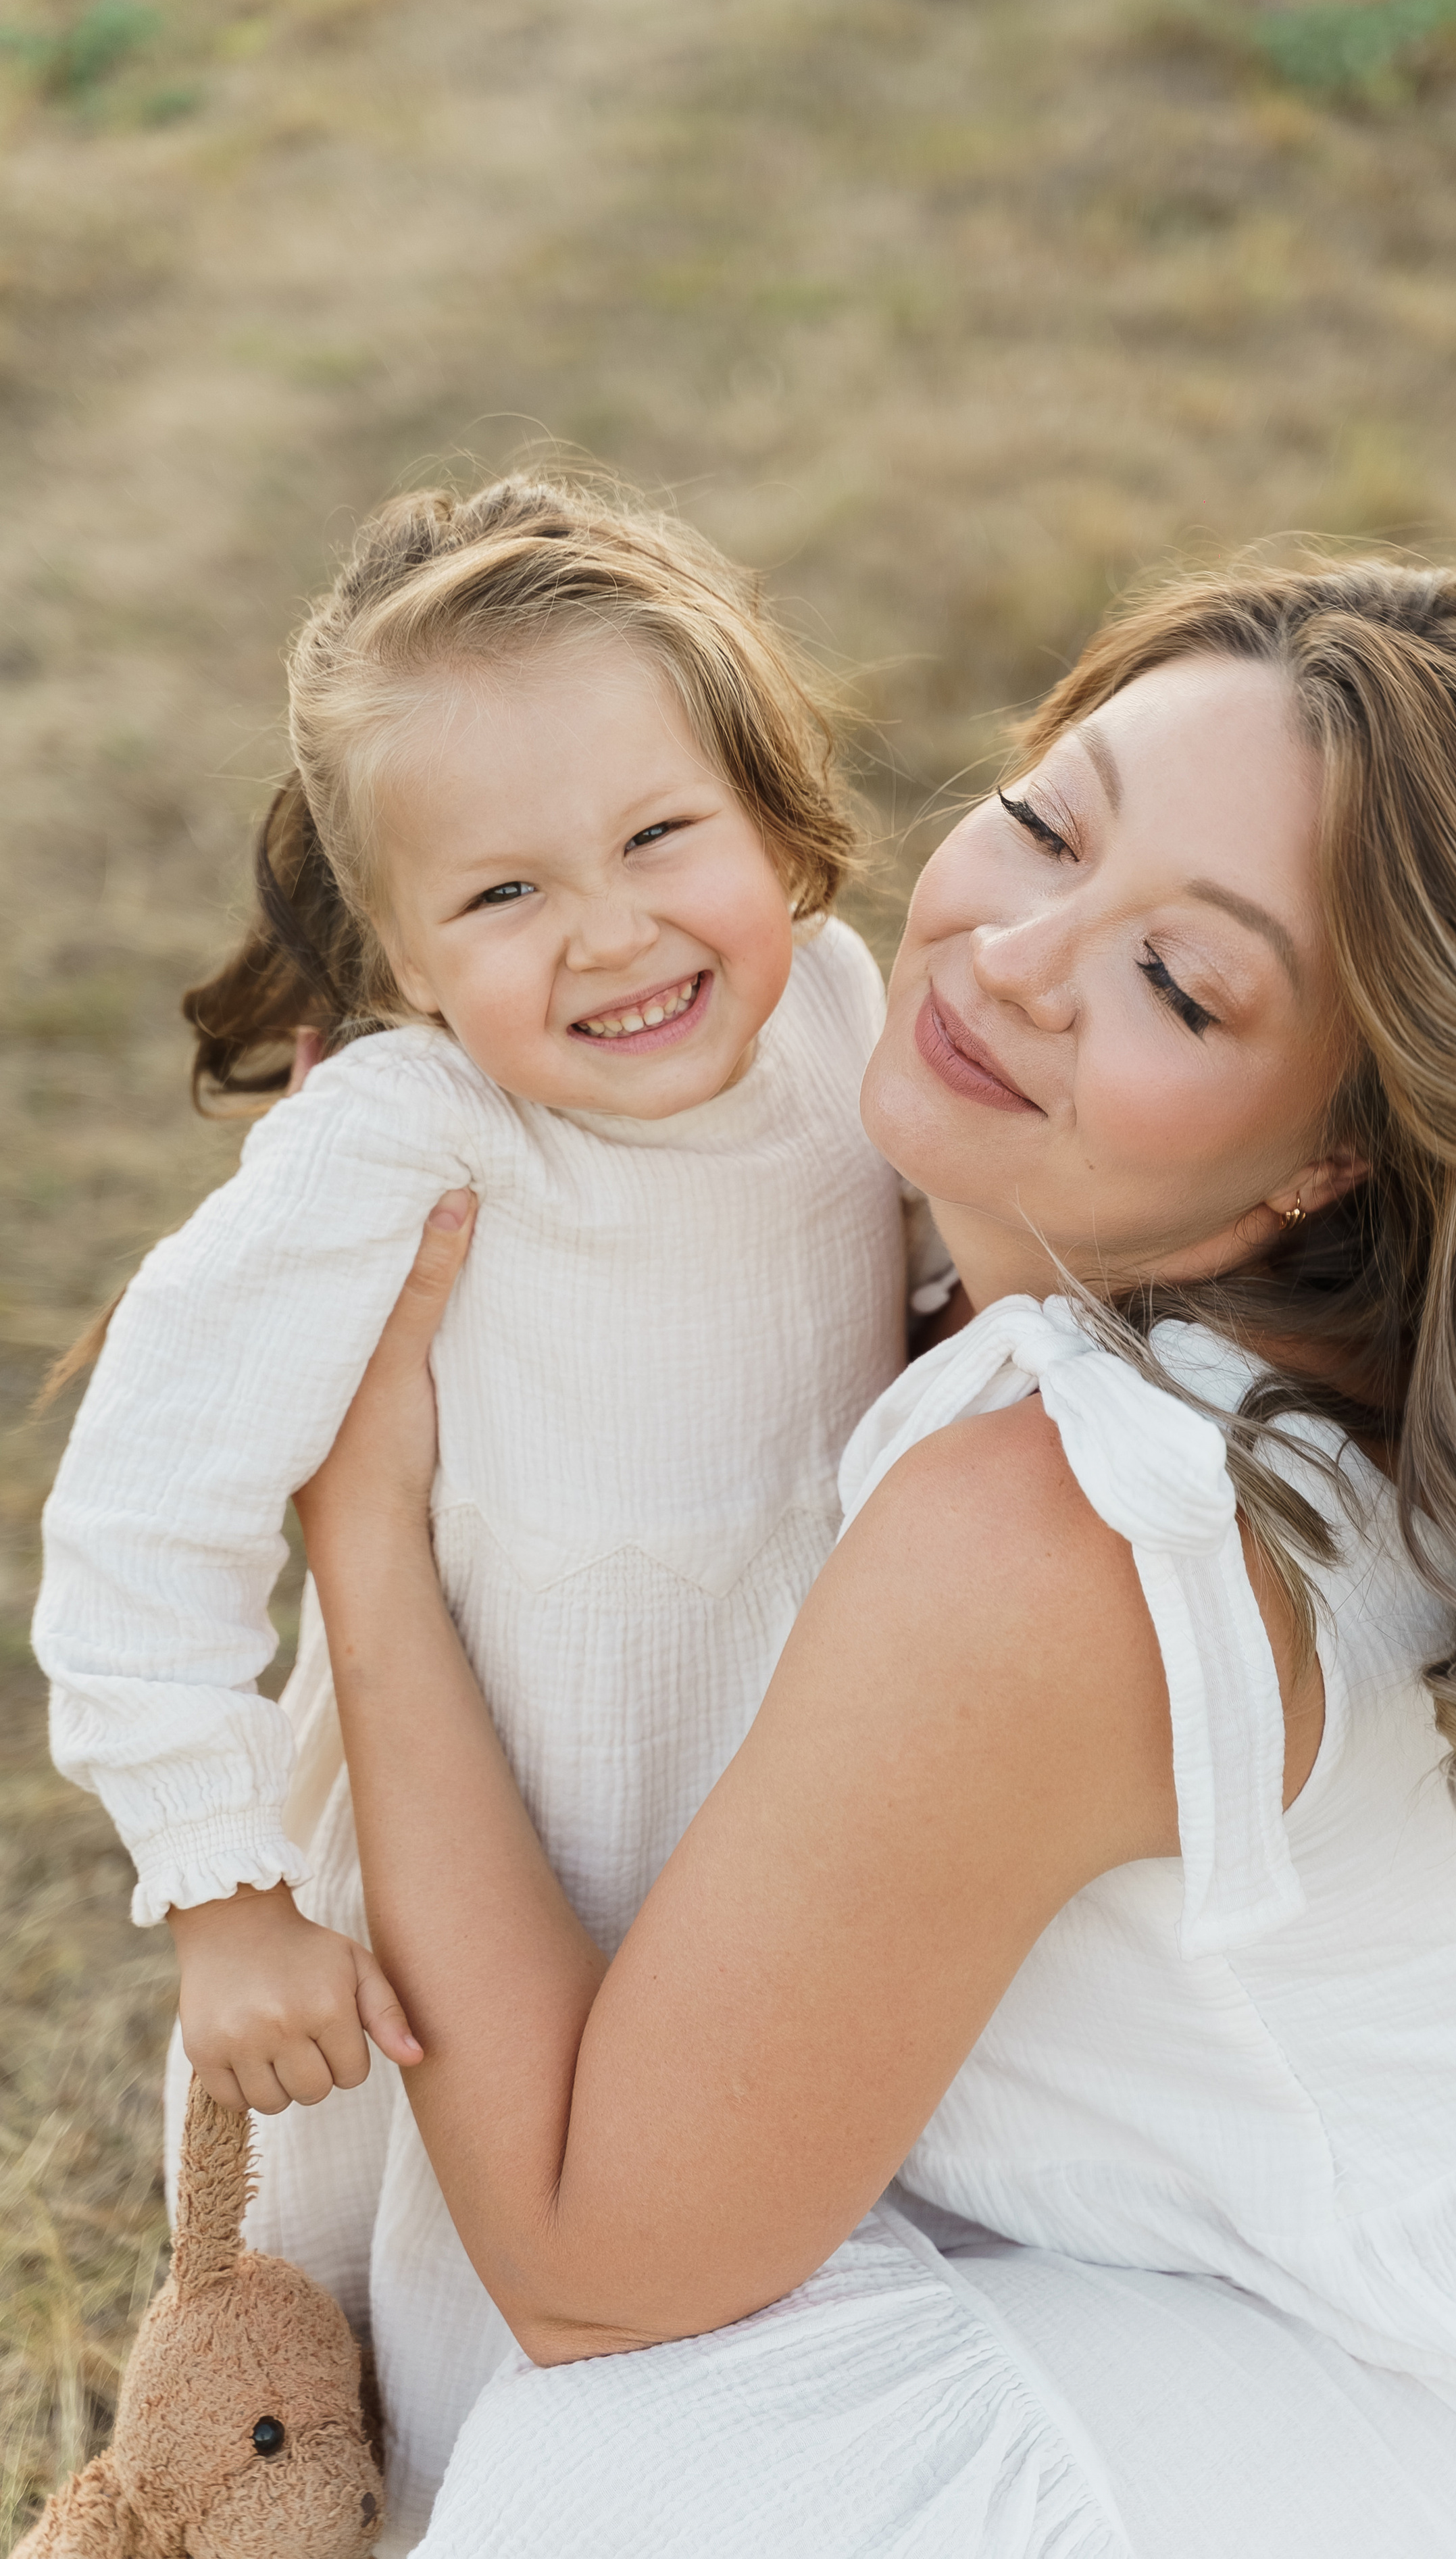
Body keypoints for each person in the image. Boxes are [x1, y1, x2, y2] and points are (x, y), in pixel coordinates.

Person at [296, 557, 1456, 2559]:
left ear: (1335, 1159)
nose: (1017, 956)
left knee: (660, 2492)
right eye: (1051, 821)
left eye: (1183, 982)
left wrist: (361, 1540)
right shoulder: (1163, 1295)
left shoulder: (1073, 1537)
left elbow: (593, 2258)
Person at [32, 472, 939, 2535]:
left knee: (789, 2234)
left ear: (780, 820)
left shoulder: (835, 1009)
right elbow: (139, 1513)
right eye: (503, 898)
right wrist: (226, 1891)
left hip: (806, 1796)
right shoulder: (407, 1142)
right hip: (509, 1822)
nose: (611, 934)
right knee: (480, 2349)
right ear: (407, 958)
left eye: (657, 839)